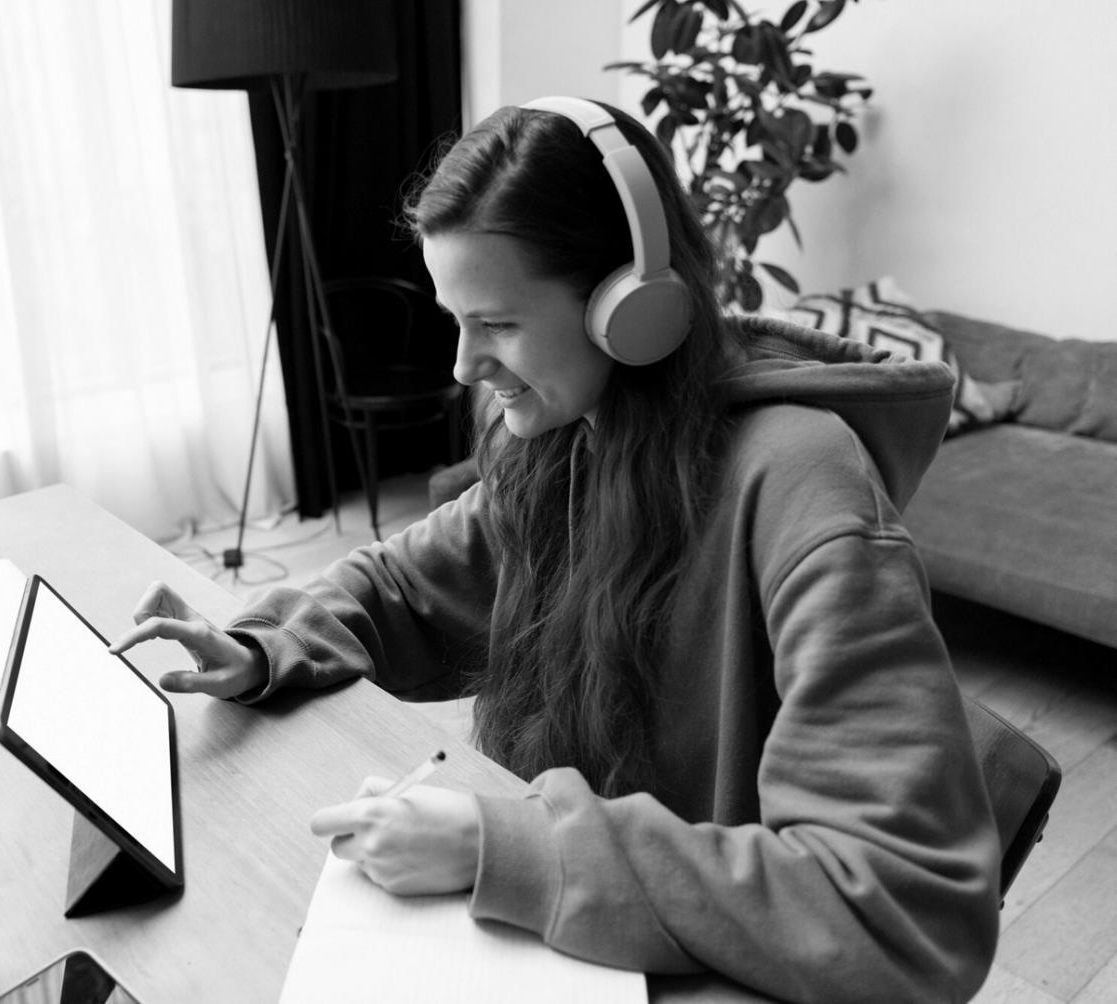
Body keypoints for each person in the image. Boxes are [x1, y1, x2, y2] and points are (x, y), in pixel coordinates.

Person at [111, 98, 1001, 1003]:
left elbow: (902, 908)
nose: (462, 365)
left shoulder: (805, 488)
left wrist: (499, 845)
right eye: (455, 318)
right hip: (580, 948)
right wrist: (260, 642)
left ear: (632, 308)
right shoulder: (577, 436)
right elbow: (399, 583)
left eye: (495, 324)